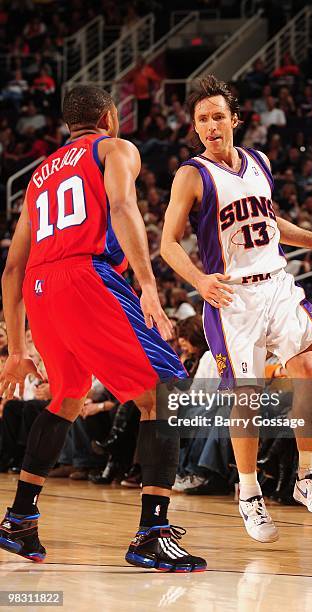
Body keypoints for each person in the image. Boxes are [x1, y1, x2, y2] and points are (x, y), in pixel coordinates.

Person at [0, 85, 206, 573]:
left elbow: (11, 268)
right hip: (86, 276)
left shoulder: (37, 177)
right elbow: (121, 207)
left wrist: (15, 346)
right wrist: (149, 285)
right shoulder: (114, 148)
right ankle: (152, 533)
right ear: (110, 117)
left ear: (68, 124)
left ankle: (19, 517)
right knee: (166, 393)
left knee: (66, 398)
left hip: (40, 287)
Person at [161, 75, 312, 545]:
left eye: (218, 116)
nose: (211, 125)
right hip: (232, 297)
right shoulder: (191, 175)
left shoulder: (259, 162)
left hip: (277, 283)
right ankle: (249, 492)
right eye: (202, 119)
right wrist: (199, 280)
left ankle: (307, 475)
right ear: (195, 127)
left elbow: (269, 221)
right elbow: (167, 242)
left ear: (235, 119)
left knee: (305, 366)